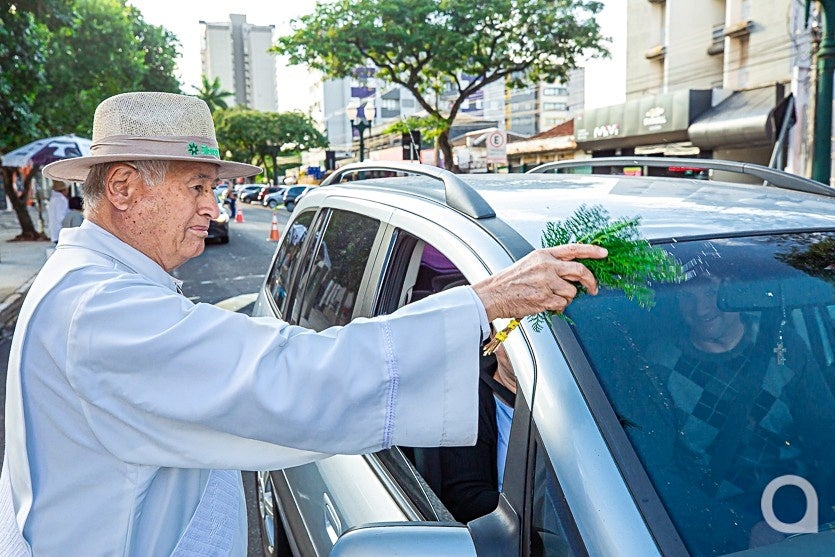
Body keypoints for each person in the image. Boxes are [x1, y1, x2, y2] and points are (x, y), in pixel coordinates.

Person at [0, 91, 607, 556]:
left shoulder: (94, 286)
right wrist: (483, 303)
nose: (214, 208)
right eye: (198, 187)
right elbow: (300, 375)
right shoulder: (103, 311)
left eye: (212, 188)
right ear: (126, 188)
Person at [645, 274, 835, 554]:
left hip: (800, 500)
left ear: (735, 291)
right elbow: (658, 472)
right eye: (688, 297)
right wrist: (738, 528)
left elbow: (826, 436)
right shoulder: (659, 365)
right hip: (713, 521)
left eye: (711, 294)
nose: (701, 309)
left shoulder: (784, 346)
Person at [436, 344, 516, 523]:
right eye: (512, 328)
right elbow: (468, 500)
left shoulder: (581, 397)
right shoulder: (465, 399)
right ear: (494, 334)